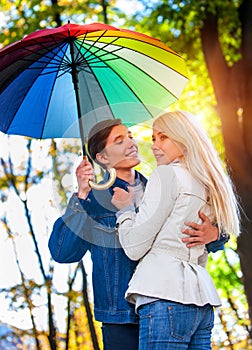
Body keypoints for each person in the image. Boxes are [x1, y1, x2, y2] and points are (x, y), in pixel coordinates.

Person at [48, 118, 230, 350]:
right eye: (119, 140)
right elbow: (63, 252)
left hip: (167, 301)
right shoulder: (94, 201)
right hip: (121, 316)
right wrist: (82, 195)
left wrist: (215, 235)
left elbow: (211, 229)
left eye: (131, 136)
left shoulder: (164, 182)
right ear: (102, 158)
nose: (132, 143)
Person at [112, 111, 240, 350]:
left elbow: (133, 247)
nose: (155, 146)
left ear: (183, 139)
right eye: (153, 139)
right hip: (201, 302)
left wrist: (126, 211)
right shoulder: (209, 183)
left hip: (164, 294)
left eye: (163, 138)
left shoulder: (166, 175)